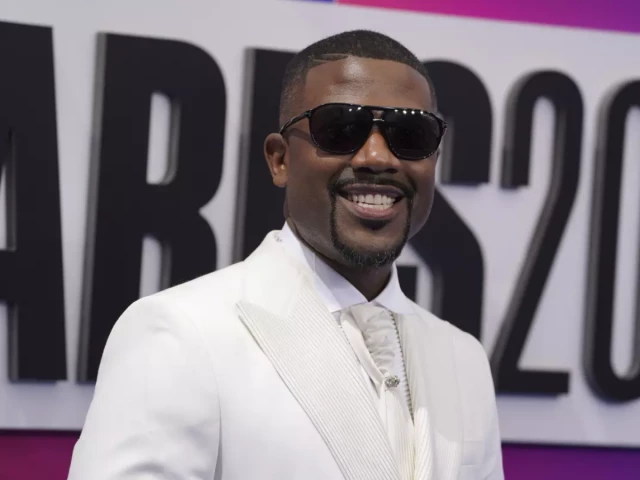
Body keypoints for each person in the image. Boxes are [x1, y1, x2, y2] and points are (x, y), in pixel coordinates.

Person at [67, 30, 503, 480]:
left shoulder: (463, 359)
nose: (378, 157)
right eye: (341, 129)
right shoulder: (182, 332)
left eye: (410, 134)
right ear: (280, 159)